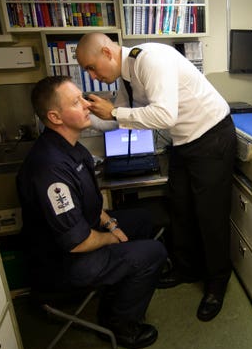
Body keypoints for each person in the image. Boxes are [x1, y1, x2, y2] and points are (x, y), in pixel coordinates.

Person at [75, 32, 236, 322]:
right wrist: (86, 116)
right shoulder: (125, 76)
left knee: (210, 215)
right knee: (180, 208)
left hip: (211, 135)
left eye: (91, 67)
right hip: (184, 142)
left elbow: (163, 117)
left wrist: (114, 111)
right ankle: (186, 269)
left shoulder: (150, 60)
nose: (92, 75)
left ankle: (217, 282)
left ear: (107, 53)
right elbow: (118, 120)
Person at [16, 76, 167, 349]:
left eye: (82, 98)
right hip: (63, 263)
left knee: (143, 219)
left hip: (84, 234)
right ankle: (120, 326)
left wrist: (110, 225)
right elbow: (77, 242)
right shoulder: (50, 168)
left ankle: (118, 291)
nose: (87, 105)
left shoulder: (72, 148)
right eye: (76, 102)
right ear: (55, 116)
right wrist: (113, 238)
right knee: (154, 253)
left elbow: (92, 206)